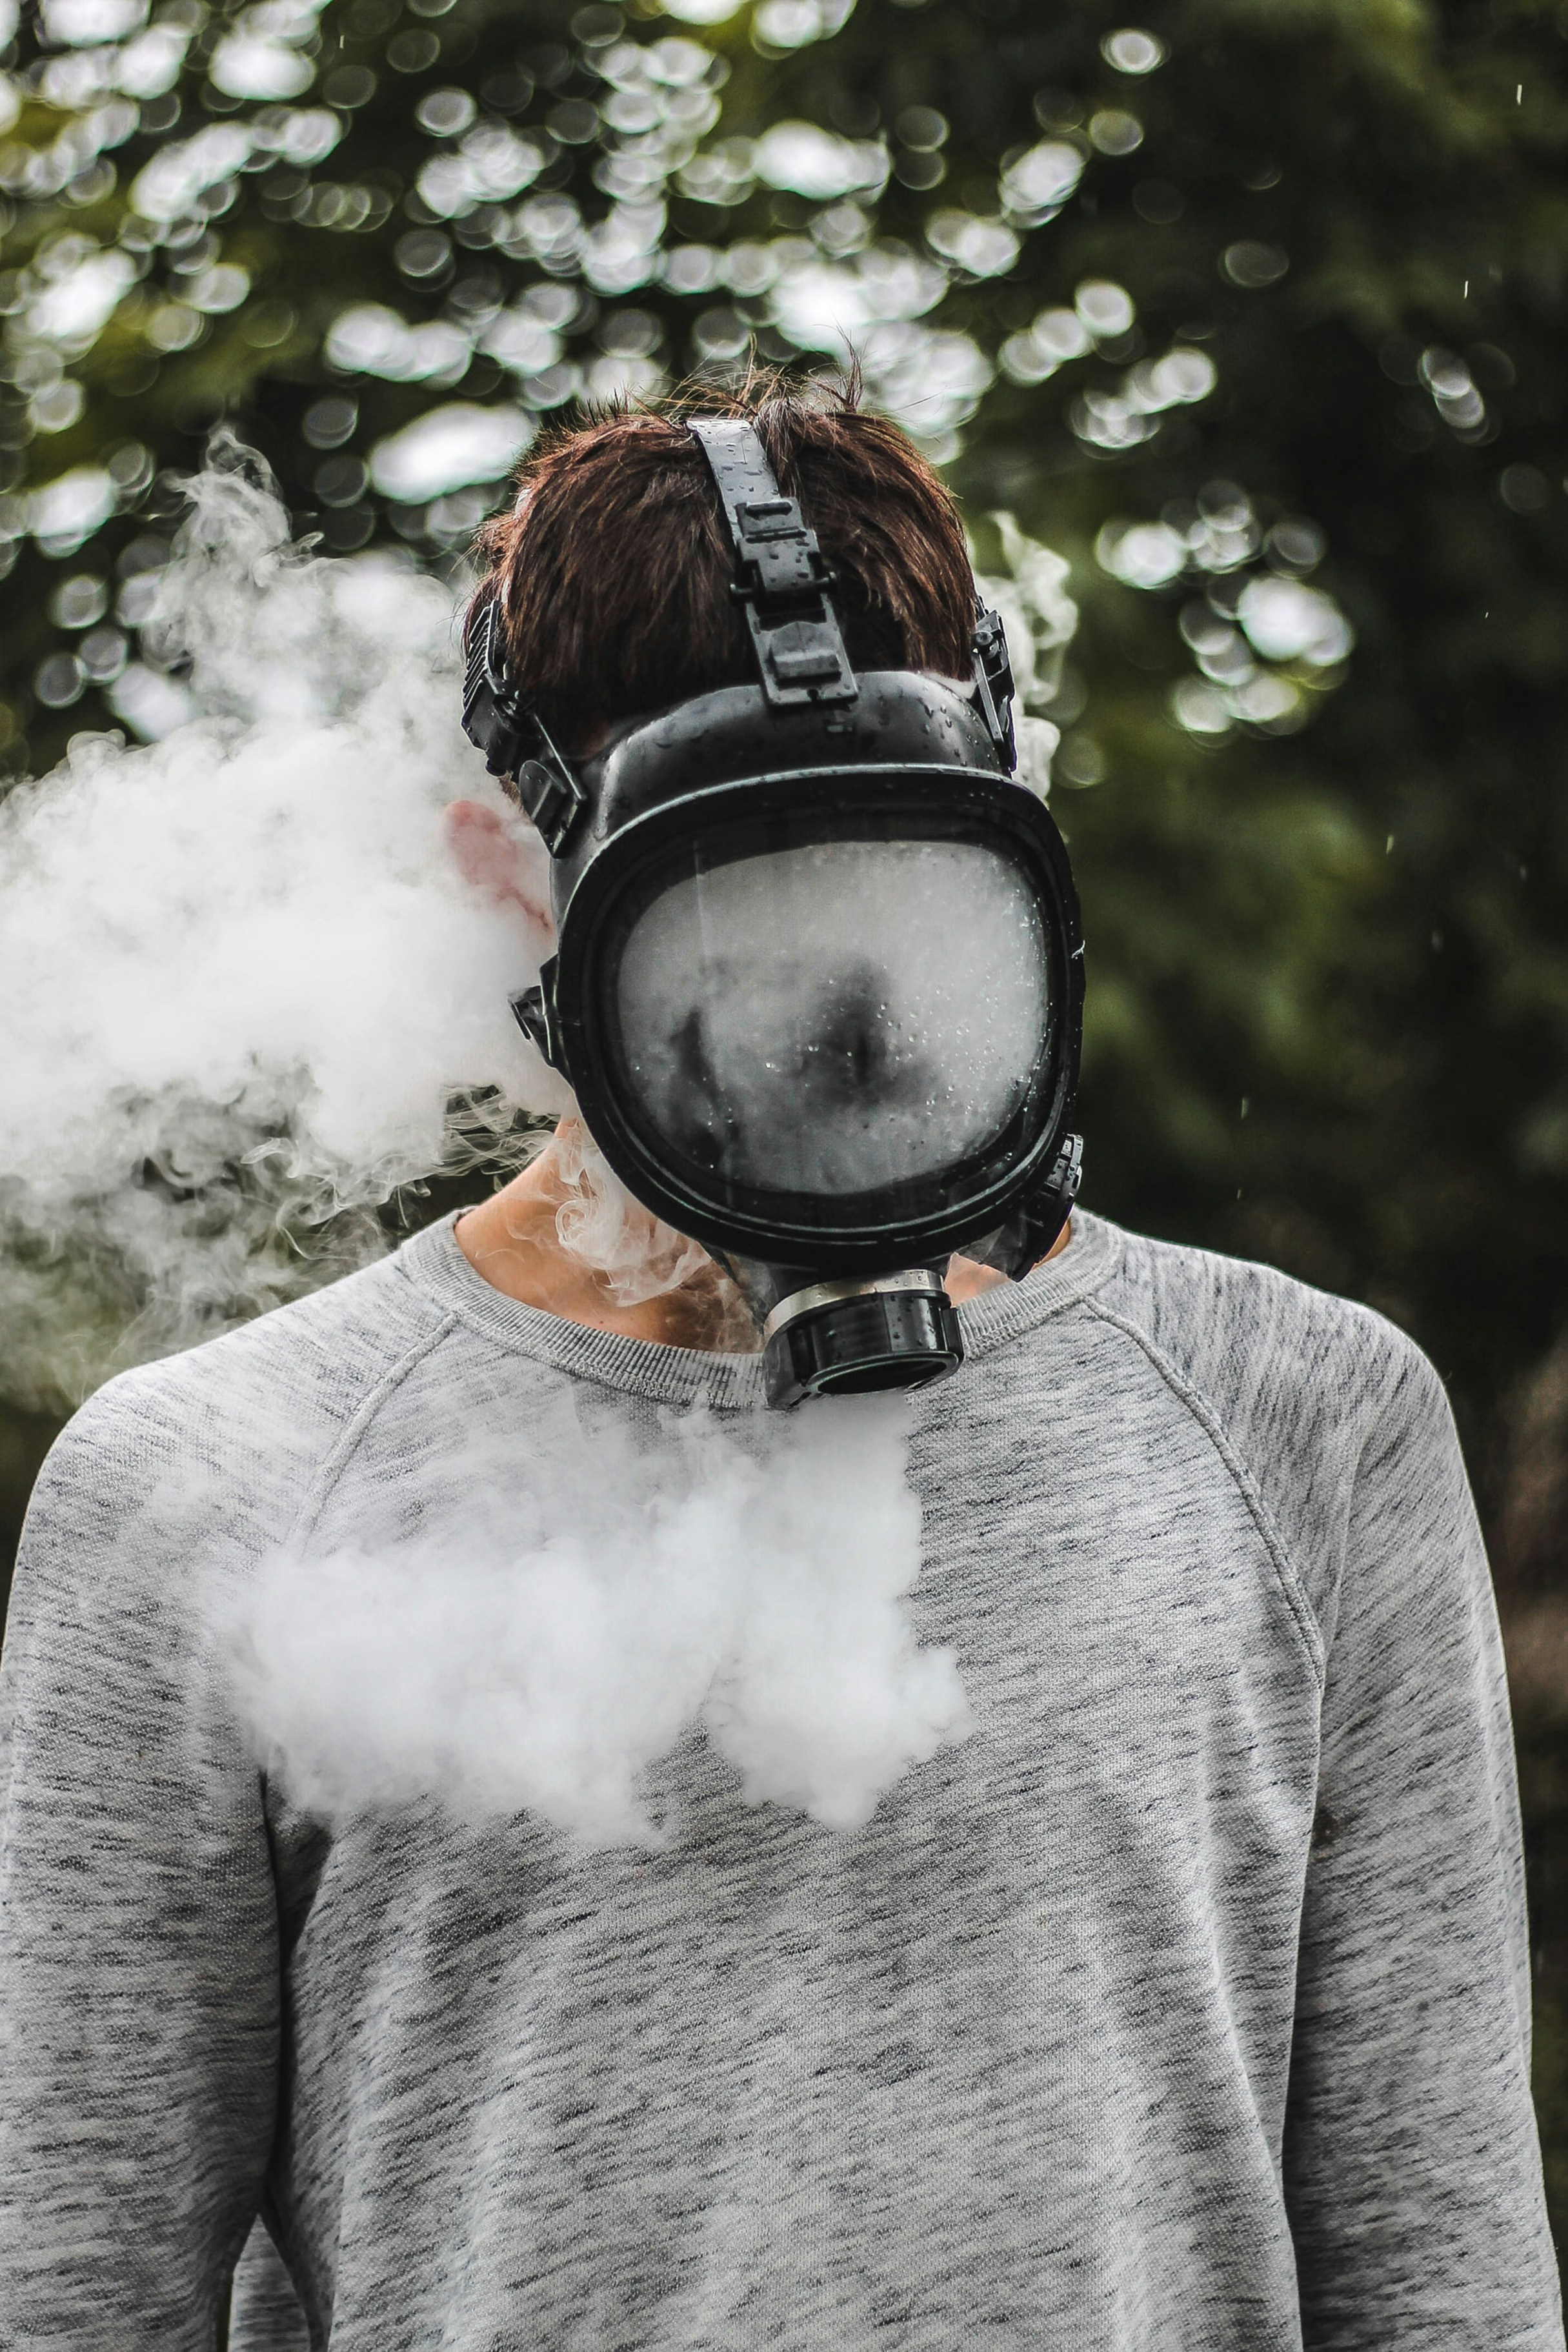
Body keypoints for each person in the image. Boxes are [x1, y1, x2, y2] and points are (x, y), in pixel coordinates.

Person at [0, 382, 1560, 2352]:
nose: (830, 992)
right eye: (736, 912)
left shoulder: (1306, 1421)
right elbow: (72, 2299)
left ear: (996, 803)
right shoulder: (215, 1485)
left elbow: (1445, 2283)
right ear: (506, 867)